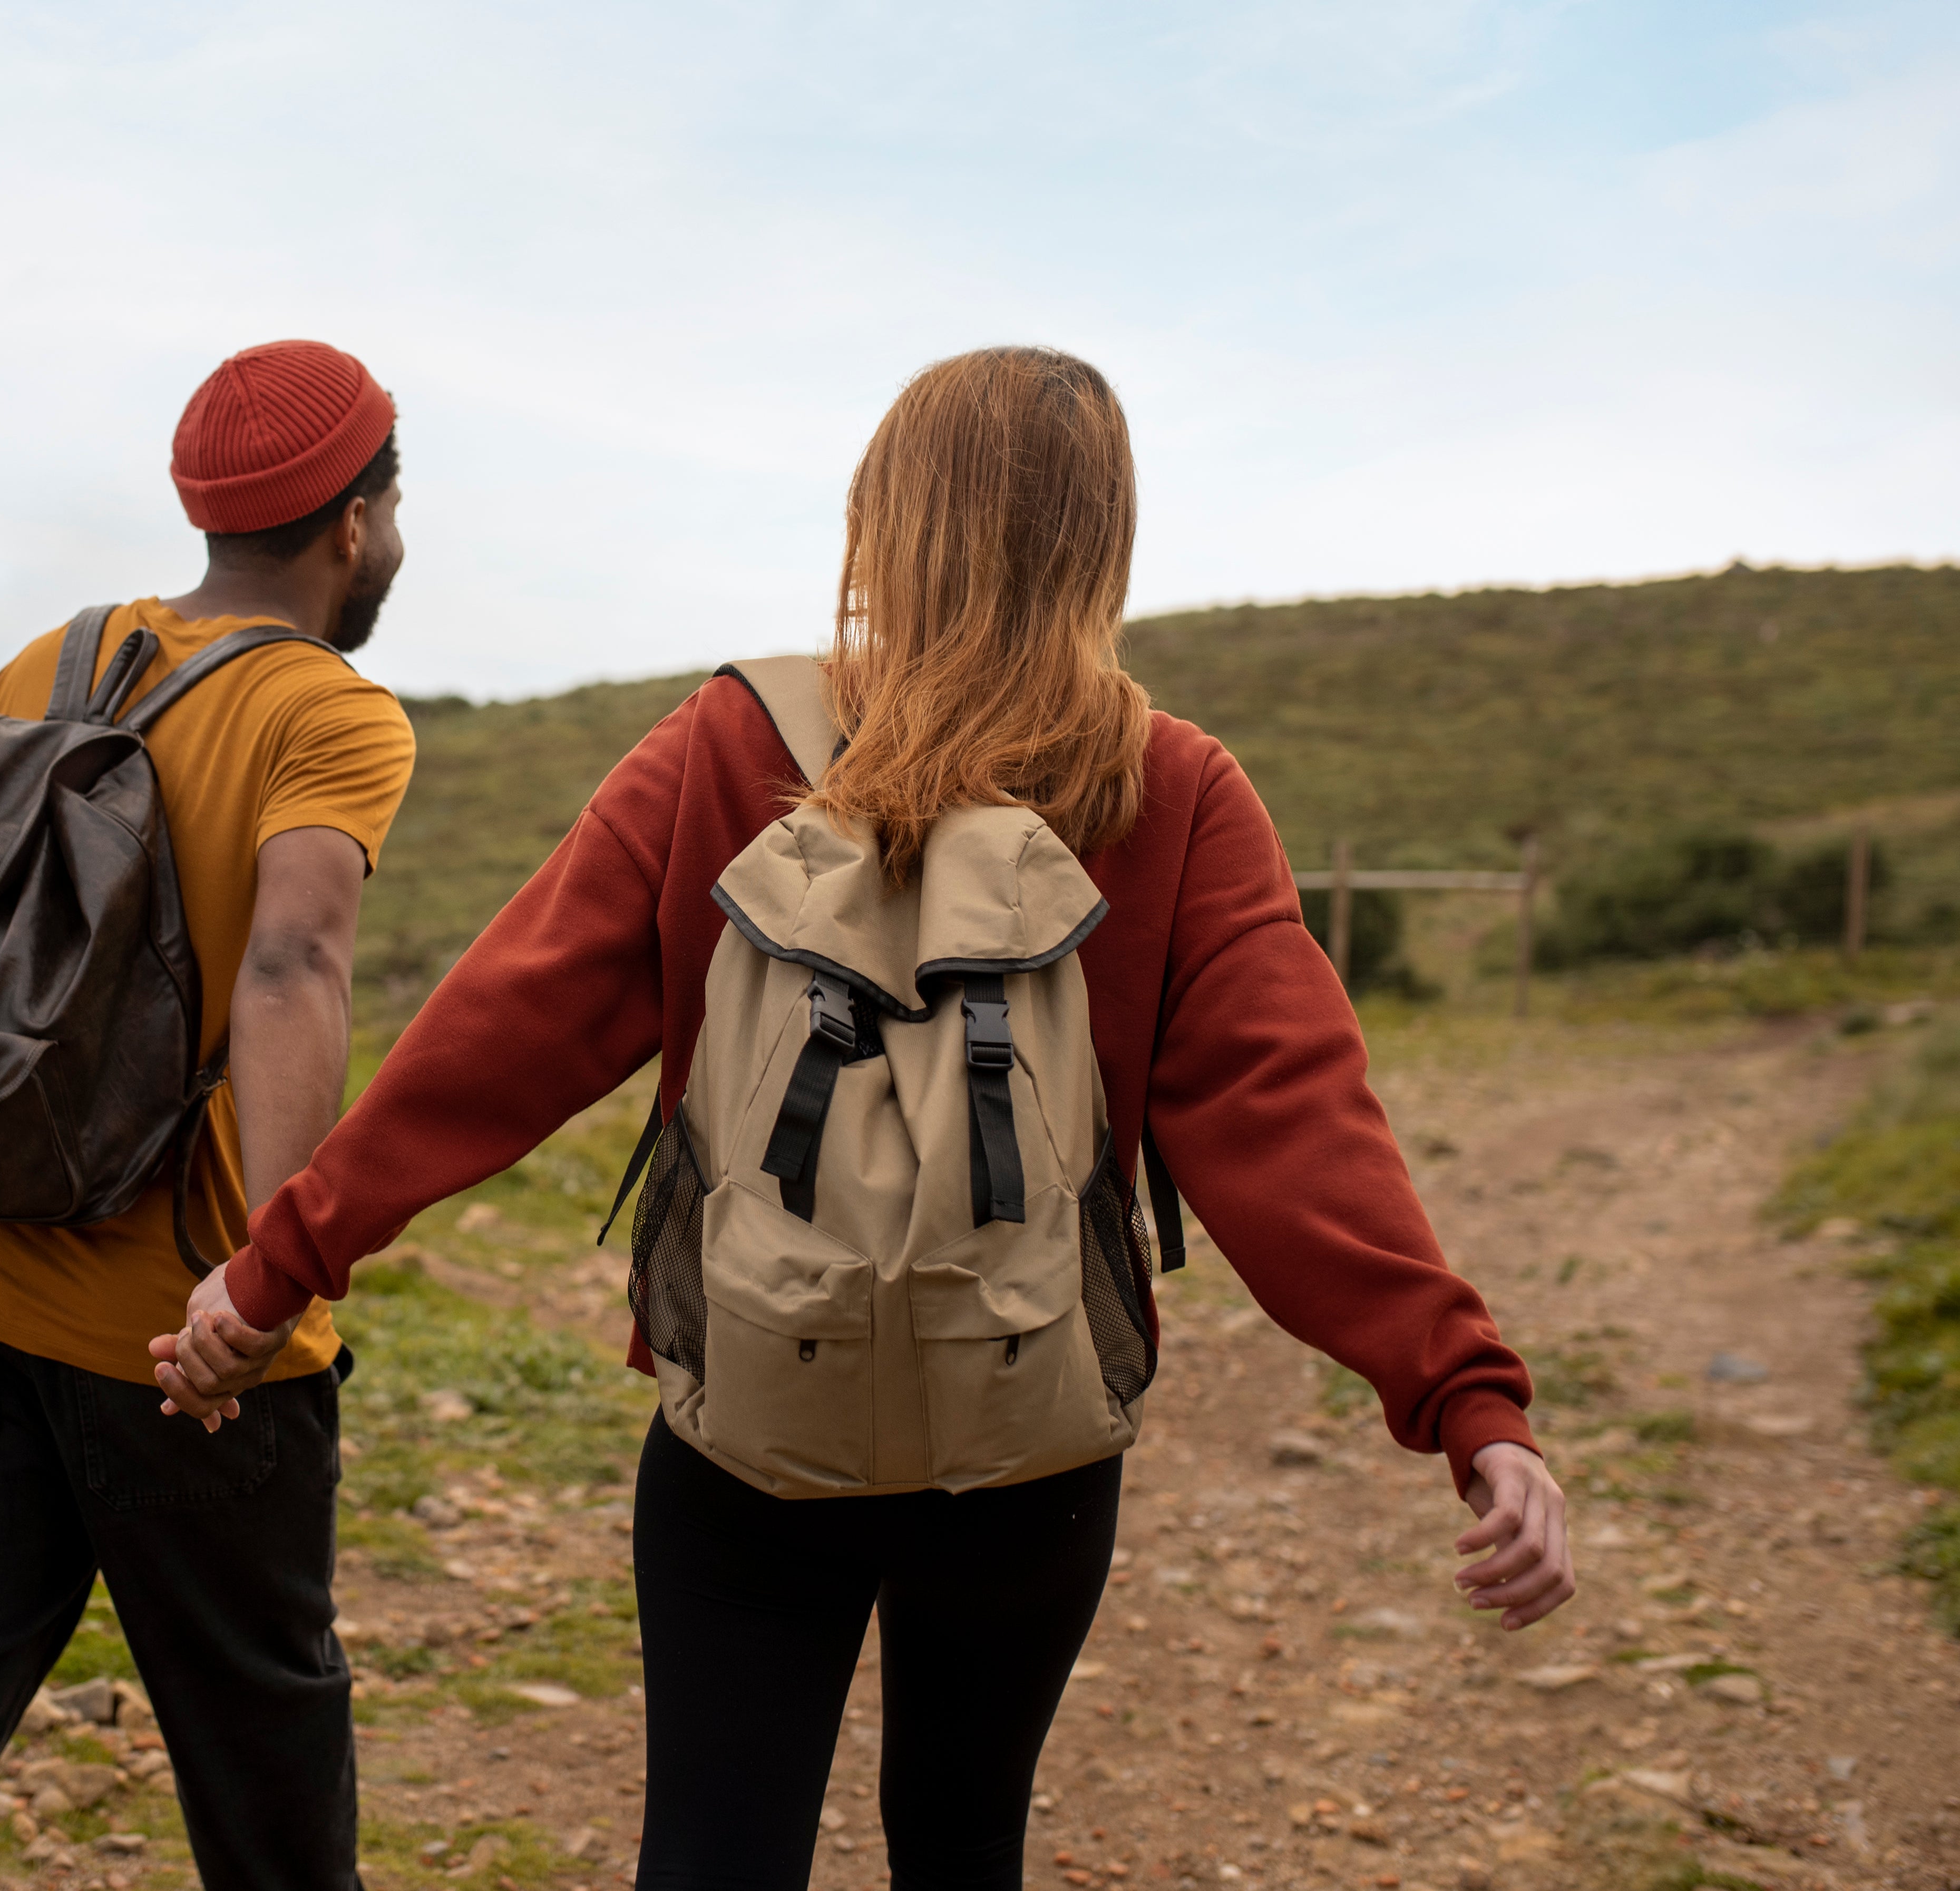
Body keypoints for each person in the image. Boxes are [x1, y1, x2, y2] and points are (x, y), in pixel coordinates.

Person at [153, 347, 1575, 1890]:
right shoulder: (1169, 787)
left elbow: (502, 1037)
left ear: (885, 516)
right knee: (961, 1845)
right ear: (1103, 540)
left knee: (715, 1845)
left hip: (754, 1416)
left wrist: (279, 1261)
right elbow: (1296, 1133)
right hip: (1029, 1436)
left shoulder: (734, 741)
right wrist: (1466, 1402)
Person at [0, 339, 415, 1891]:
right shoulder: (330, 713)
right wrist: (269, 1279)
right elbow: (294, 961)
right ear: (353, 525)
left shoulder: (49, 662)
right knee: (267, 1763)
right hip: (186, 1339)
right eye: (393, 504)